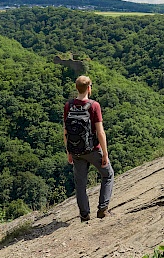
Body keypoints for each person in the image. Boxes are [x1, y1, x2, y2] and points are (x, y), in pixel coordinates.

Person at [63, 75, 114, 222]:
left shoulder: (69, 105)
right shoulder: (94, 106)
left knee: (80, 184)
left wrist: (69, 152)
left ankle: (84, 215)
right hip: (93, 149)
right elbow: (100, 132)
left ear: (76, 87)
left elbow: (65, 131)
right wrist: (105, 153)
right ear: (89, 88)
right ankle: (103, 210)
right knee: (108, 175)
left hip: (76, 151)